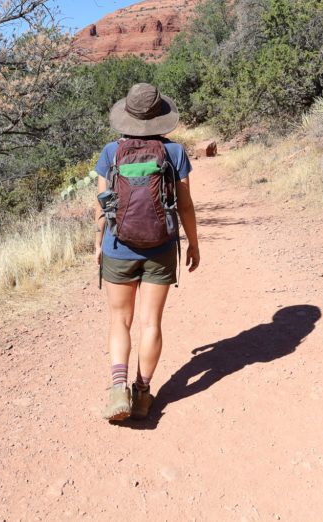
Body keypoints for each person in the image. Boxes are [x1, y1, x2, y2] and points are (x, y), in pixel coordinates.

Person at [94, 83, 200, 422]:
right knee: (151, 322)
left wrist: (99, 244)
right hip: (161, 246)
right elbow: (185, 206)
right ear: (159, 118)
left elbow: (103, 207)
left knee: (119, 321)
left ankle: (116, 390)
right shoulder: (176, 153)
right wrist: (194, 243)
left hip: (118, 246)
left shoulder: (111, 152)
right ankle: (141, 394)